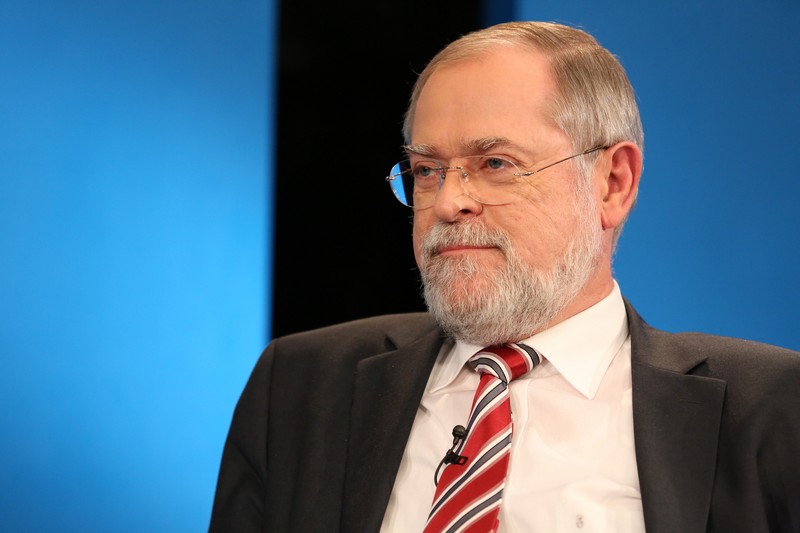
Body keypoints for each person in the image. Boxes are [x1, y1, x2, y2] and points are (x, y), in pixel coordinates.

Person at [209, 21, 800, 533]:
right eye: (427, 170)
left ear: (612, 184)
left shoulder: (772, 406)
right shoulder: (299, 385)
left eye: (496, 164)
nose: (448, 203)